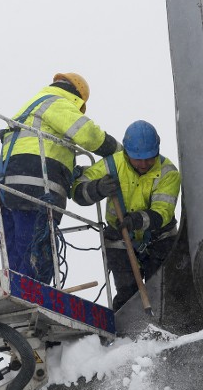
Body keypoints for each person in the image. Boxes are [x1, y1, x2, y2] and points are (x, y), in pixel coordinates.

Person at [0, 72, 121, 284]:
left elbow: (49, 151)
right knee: (35, 253)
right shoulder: (57, 102)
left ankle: (16, 291)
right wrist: (119, 152)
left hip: (6, 188)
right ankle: (30, 294)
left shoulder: (32, 106)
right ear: (77, 98)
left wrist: (73, 172)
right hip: (34, 188)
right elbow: (88, 134)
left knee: (17, 257)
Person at [72, 120, 181, 311]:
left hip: (159, 240)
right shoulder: (112, 164)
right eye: (138, 158)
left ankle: (167, 329)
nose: (144, 164)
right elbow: (78, 192)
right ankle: (126, 335)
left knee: (163, 291)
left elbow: (163, 212)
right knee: (127, 294)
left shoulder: (168, 172)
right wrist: (98, 188)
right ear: (126, 153)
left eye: (149, 158)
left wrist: (137, 220)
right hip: (119, 240)